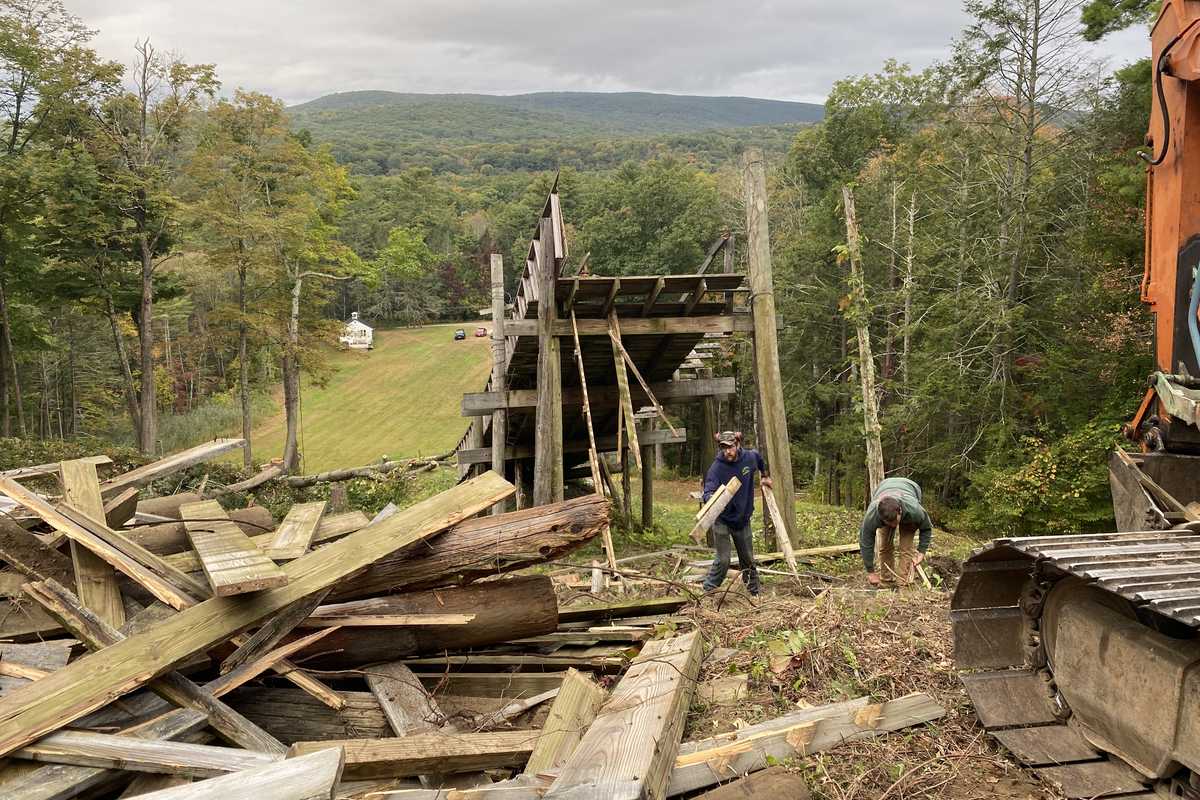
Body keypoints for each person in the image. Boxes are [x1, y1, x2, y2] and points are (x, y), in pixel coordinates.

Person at [700, 430, 772, 596]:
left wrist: (765, 476)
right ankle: (707, 591)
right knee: (723, 560)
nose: (727, 451)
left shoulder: (750, 458)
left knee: (748, 559)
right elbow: (708, 490)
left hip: (742, 519)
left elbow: (760, 461)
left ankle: (754, 592)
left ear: (737, 444)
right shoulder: (717, 468)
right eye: (723, 448)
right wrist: (711, 497)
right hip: (722, 520)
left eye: (730, 447)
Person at [859, 477, 933, 587]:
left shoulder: (915, 510)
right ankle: (887, 580)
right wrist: (870, 571)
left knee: (906, 548)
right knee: (885, 546)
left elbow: (926, 528)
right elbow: (866, 541)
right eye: (889, 522)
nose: (893, 525)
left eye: (895, 521)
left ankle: (902, 583)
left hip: (911, 489)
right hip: (884, 487)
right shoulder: (873, 515)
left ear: (900, 511)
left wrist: (921, 551)